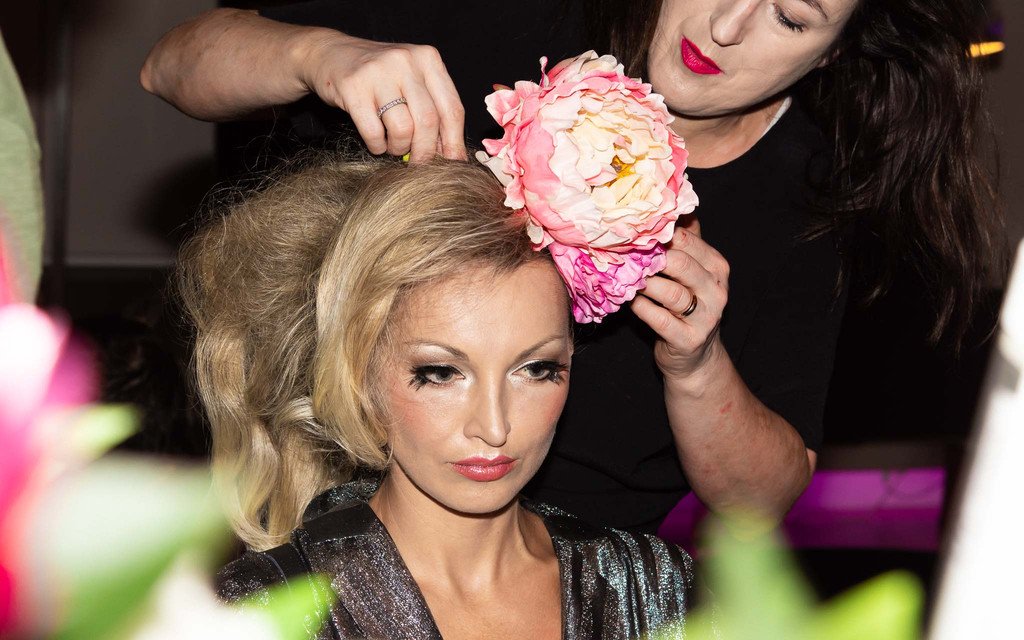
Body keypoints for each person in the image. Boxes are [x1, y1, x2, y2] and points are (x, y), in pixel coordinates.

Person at [143, 0, 1003, 533]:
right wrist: (319, 55)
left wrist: (698, 364)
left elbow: (761, 498)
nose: (726, 27)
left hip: (574, 576)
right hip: (326, 507)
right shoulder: (523, 18)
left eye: (792, 17)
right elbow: (170, 65)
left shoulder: (808, 196)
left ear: (833, 53)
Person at [180, 156, 694, 639]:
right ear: (358, 375)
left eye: (537, 370)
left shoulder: (658, 588)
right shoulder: (256, 615)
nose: (494, 427)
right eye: (441, 373)